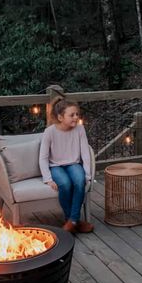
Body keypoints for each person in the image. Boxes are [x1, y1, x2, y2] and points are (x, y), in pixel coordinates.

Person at [39, 98, 94, 234]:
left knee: (79, 181)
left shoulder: (80, 129)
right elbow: (43, 157)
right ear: (60, 117)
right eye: (72, 115)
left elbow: (85, 153)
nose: (76, 117)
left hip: (73, 164)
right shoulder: (50, 132)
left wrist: (87, 174)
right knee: (65, 184)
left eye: (77, 114)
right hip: (56, 166)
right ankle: (75, 221)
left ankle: (72, 221)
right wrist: (48, 179)